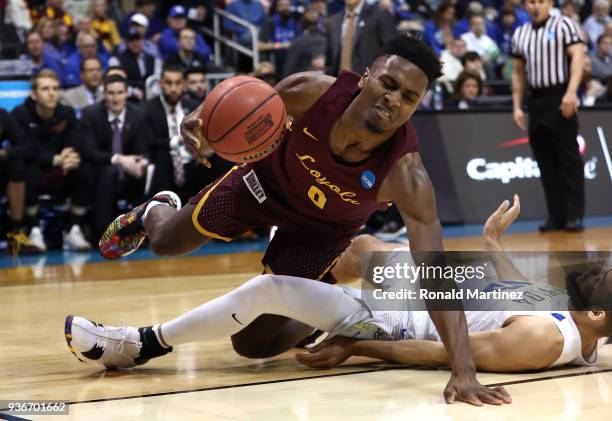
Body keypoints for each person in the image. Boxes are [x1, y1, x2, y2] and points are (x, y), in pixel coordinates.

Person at [95, 35, 511, 406]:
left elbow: (436, 274)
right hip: (262, 183)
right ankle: (154, 208)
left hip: (321, 234)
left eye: (409, 97)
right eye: (389, 83)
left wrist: (464, 371)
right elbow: (244, 106)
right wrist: (202, 121)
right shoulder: (312, 92)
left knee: (252, 346)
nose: (394, 99)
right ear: (366, 77)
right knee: (167, 241)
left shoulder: (407, 175)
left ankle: (320, 298)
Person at [65, 195, 609, 375]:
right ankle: (142, 338)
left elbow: (445, 353)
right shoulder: (573, 316)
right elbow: (524, 292)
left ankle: (142, 335)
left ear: (600, 315)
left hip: (388, 319)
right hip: (431, 287)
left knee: (257, 325)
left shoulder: (544, 340)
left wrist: (355, 346)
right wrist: (492, 245)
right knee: (362, 248)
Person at [511, 0, 585, 232]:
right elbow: (517, 72)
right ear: (525, 5)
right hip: (536, 100)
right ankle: (556, 216)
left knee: (568, 159)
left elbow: (578, 57)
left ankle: (574, 216)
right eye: (531, 2)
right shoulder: (520, 33)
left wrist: (572, 91)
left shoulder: (565, 25)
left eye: (540, 1)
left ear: (550, 3)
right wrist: (516, 106)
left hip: (560, 95)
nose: (536, 6)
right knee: (545, 162)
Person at [10, 69, 93, 251]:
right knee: (27, 166)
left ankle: (73, 228)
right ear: (33, 94)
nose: (51, 93)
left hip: (60, 170)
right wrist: (53, 159)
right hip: (36, 170)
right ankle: (33, 228)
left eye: (55, 88)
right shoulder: (20, 113)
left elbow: (74, 141)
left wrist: (71, 157)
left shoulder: (67, 113)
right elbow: (26, 149)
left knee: (83, 166)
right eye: (45, 88)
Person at [80, 74, 150, 240]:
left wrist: (141, 162)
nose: (115, 98)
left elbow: (144, 150)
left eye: (119, 93)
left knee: (145, 171)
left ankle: (139, 229)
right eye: (111, 93)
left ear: (127, 93)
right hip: (100, 170)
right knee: (109, 171)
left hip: (129, 170)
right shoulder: (91, 114)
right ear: (104, 94)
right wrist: (119, 159)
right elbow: (89, 151)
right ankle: (102, 231)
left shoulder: (138, 115)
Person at [325, 0, 396, 75]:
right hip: (338, 82)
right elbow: (329, 60)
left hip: (369, 81)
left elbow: (390, 51)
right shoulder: (333, 21)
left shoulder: (380, 14)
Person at [282, 10, 327, 78]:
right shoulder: (326, 40)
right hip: (327, 83)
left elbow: (288, 73)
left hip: (305, 84)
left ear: (302, 24)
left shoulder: (298, 42)